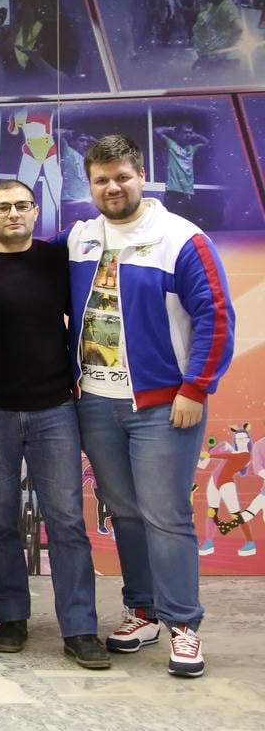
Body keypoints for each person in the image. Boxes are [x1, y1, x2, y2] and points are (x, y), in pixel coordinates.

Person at [58, 134, 234, 678]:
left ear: (141, 176)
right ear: (89, 185)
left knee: (165, 515)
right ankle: (143, 612)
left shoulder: (181, 238)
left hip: (164, 406)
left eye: (122, 177)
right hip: (95, 403)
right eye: (101, 180)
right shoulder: (80, 239)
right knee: (126, 514)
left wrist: (195, 388)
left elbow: (216, 317)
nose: (112, 187)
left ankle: (183, 624)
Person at [0, 179, 109, 670]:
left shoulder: (57, 261)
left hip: (55, 409)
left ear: (35, 211)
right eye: (2, 207)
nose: (13, 214)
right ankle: (11, 618)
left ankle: (80, 627)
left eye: (22, 205)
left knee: (67, 522)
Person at [155, 123, 209, 216]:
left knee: (187, 221)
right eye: (185, 132)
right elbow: (156, 131)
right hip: (173, 191)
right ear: (178, 134)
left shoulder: (191, 148)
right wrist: (171, 129)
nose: (188, 135)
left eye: (190, 133)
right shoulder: (171, 144)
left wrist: (194, 135)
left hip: (188, 192)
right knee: (170, 220)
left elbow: (206, 142)